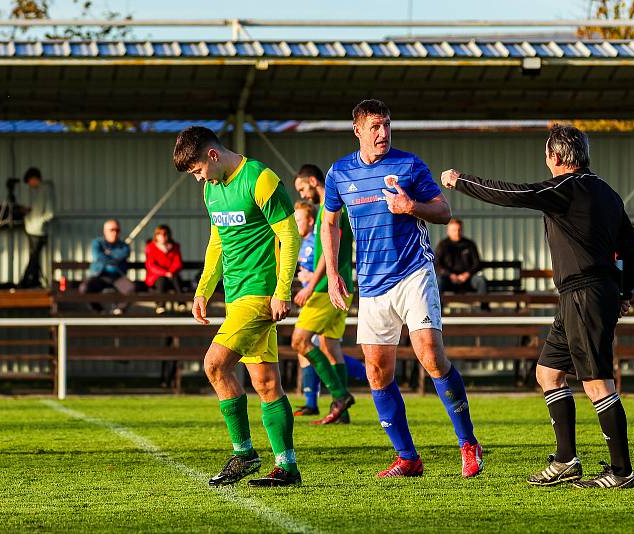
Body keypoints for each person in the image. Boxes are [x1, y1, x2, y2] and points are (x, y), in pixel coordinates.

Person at [442, 124, 634, 489]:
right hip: (580, 296)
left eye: (547, 154)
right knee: (547, 373)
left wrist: (460, 181)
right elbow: (631, 247)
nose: (545, 161)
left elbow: (513, 193)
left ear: (556, 157)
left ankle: (622, 470)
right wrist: (626, 292)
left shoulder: (565, 188)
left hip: (585, 294)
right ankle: (566, 460)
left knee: (598, 383)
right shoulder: (608, 193)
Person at [321, 99, 483, 478]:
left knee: (430, 355)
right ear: (357, 129)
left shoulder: (409, 165)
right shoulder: (339, 173)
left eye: (387, 125)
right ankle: (408, 457)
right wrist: (332, 271)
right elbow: (329, 222)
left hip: (414, 272)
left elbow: (444, 212)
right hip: (372, 284)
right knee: (378, 372)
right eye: (375, 127)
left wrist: (411, 206)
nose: (383, 133)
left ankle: (468, 442)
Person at [173, 126, 302, 487]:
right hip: (235, 297)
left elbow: (289, 235)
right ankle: (287, 467)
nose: (198, 178)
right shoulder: (210, 190)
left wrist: (283, 290)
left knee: (213, 365)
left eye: (198, 169)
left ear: (212, 155)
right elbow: (218, 241)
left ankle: (244, 453)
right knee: (265, 382)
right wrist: (203, 290)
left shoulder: (260, 178)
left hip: (260, 294)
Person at [291, 164, 356, 424]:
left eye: (302, 188)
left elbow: (329, 252)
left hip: (326, 289)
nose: (303, 194)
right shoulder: (334, 207)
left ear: (313, 181)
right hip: (344, 286)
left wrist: (310, 286)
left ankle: (340, 396)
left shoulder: (330, 210)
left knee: (299, 341)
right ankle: (342, 412)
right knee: (330, 346)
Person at [79, 219, 135, 315]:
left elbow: (123, 254)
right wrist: (114, 257)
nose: (115, 233)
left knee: (131, 289)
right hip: (99, 276)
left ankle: (118, 310)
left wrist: (108, 254)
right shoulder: (97, 243)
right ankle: (99, 311)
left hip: (117, 276)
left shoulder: (124, 245)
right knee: (85, 288)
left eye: (117, 230)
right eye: (112, 230)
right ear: (105, 231)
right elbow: (98, 256)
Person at [435, 218, 489, 310]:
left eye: (459, 229)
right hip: (449, 280)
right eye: (454, 230)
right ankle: (438, 312)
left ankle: (484, 311)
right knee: (438, 282)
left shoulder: (469, 244)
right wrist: (450, 275)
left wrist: (467, 274)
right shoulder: (443, 245)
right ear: (448, 231)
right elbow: (437, 264)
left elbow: (477, 264)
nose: (457, 232)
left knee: (481, 281)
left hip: (468, 280)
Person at [19, 167, 54, 289]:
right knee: (34, 257)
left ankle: (25, 282)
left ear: (34, 178)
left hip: (38, 230)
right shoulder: (39, 191)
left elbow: (49, 213)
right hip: (32, 228)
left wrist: (38, 221)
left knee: (34, 257)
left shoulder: (46, 189)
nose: (29, 185)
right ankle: (34, 281)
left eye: (29, 181)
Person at [145, 224, 184, 315]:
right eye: (159, 234)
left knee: (175, 278)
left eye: (165, 234)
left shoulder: (174, 246)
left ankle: (181, 302)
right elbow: (151, 265)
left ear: (168, 235)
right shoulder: (151, 247)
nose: (162, 236)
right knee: (161, 280)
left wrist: (170, 272)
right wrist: (165, 273)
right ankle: (160, 305)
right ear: (156, 235)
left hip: (171, 275)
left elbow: (177, 263)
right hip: (155, 277)